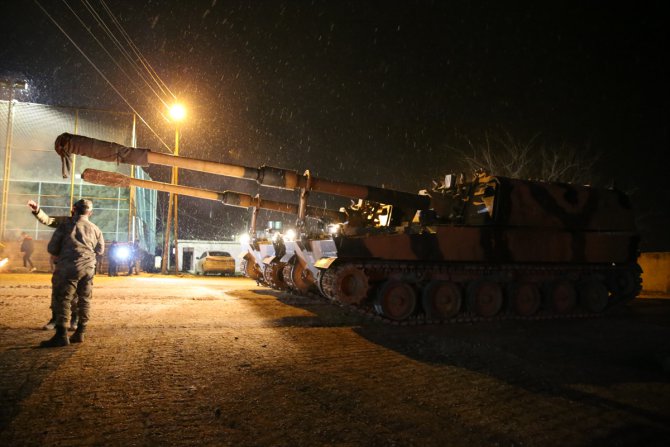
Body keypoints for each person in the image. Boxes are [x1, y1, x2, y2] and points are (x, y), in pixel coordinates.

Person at [40, 199, 104, 347]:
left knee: (63, 299)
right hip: (88, 268)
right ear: (90, 213)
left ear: (73, 209)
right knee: (85, 299)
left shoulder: (65, 226)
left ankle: (61, 335)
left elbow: (52, 248)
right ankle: (80, 332)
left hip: (68, 267)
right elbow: (100, 250)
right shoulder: (96, 229)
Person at [27, 200, 80, 331]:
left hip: (78, 265)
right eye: (74, 208)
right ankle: (55, 319)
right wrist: (37, 211)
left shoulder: (89, 226)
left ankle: (75, 319)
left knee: (75, 294)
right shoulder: (64, 222)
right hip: (62, 264)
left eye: (77, 208)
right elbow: (48, 220)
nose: (74, 211)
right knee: (57, 292)